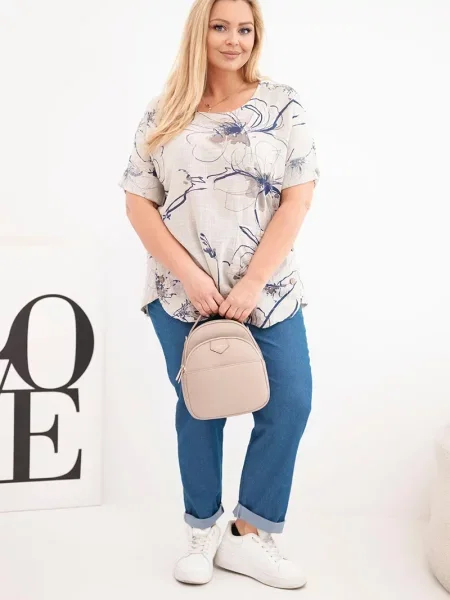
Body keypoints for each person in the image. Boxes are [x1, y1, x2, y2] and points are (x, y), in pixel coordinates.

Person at [118, 0, 320, 589]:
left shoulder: (282, 104)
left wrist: (253, 282)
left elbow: (298, 197)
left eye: (245, 28)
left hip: (269, 290)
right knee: (200, 410)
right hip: (184, 295)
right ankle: (201, 530)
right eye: (221, 26)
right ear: (199, 32)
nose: (234, 39)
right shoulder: (163, 111)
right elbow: (138, 202)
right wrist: (188, 275)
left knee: (289, 403)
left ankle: (247, 534)